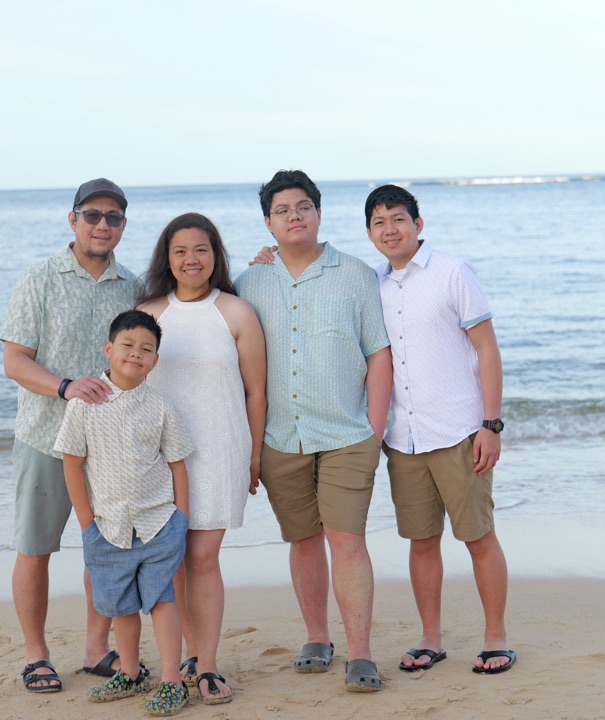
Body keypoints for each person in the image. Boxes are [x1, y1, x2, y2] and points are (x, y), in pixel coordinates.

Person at [234, 170, 392, 692]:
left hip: (348, 434)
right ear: (268, 222)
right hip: (282, 437)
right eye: (283, 210)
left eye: (303, 207)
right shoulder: (249, 281)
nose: (294, 216)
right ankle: (317, 638)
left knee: (347, 541)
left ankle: (361, 654)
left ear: (319, 213)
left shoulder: (356, 275)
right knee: (303, 542)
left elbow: (379, 354)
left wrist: (374, 428)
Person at [364, 184, 515, 675]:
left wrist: (490, 425)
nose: (390, 229)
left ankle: (496, 636)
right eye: (379, 222)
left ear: (418, 224)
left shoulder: (453, 272)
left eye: (398, 219)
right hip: (403, 438)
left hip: (459, 431)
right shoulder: (375, 286)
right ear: (370, 233)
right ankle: (431, 638)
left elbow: (487, 350)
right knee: (422, 540)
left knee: (478, 536)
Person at [0, 178, 138, 693]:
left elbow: (192, 292)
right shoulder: (40, 278)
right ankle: (36, 655)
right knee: (35, 548)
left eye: (114, 217)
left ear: (123, 225)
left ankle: (97, 649)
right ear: (73, 219)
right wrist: (64, 387)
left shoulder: (134, 286)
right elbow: (14, 360)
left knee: (103, 546)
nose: (103, 225)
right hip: (44, 437)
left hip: (109, 445)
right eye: (93, 215)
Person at [136, 213, 267, 704]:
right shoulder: (151, 312)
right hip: (158, 458)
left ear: (216, 255)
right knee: (172, 561)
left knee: (203, 556)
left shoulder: (235, 312)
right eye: (180, 251)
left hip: (220, 449)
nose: (191, 259)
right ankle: (189, 654)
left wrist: (253, 456)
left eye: (201, 249)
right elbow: (130, 385)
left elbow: (256, 392)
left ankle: (207, 664)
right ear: (167, 259)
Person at [54, 310, 193, 716]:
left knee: (163, 599)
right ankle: (130, 673)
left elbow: (177, 463)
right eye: (128, 346)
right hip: (106, 527)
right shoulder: (85, 404)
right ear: (109, 349)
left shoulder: (160, 406)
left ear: (155, 360)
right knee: (120, 605)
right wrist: (86, 522)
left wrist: (180, 518)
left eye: (146, 349)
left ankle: (172, 680)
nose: (136, 354)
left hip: (158, 524)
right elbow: (71, 462)